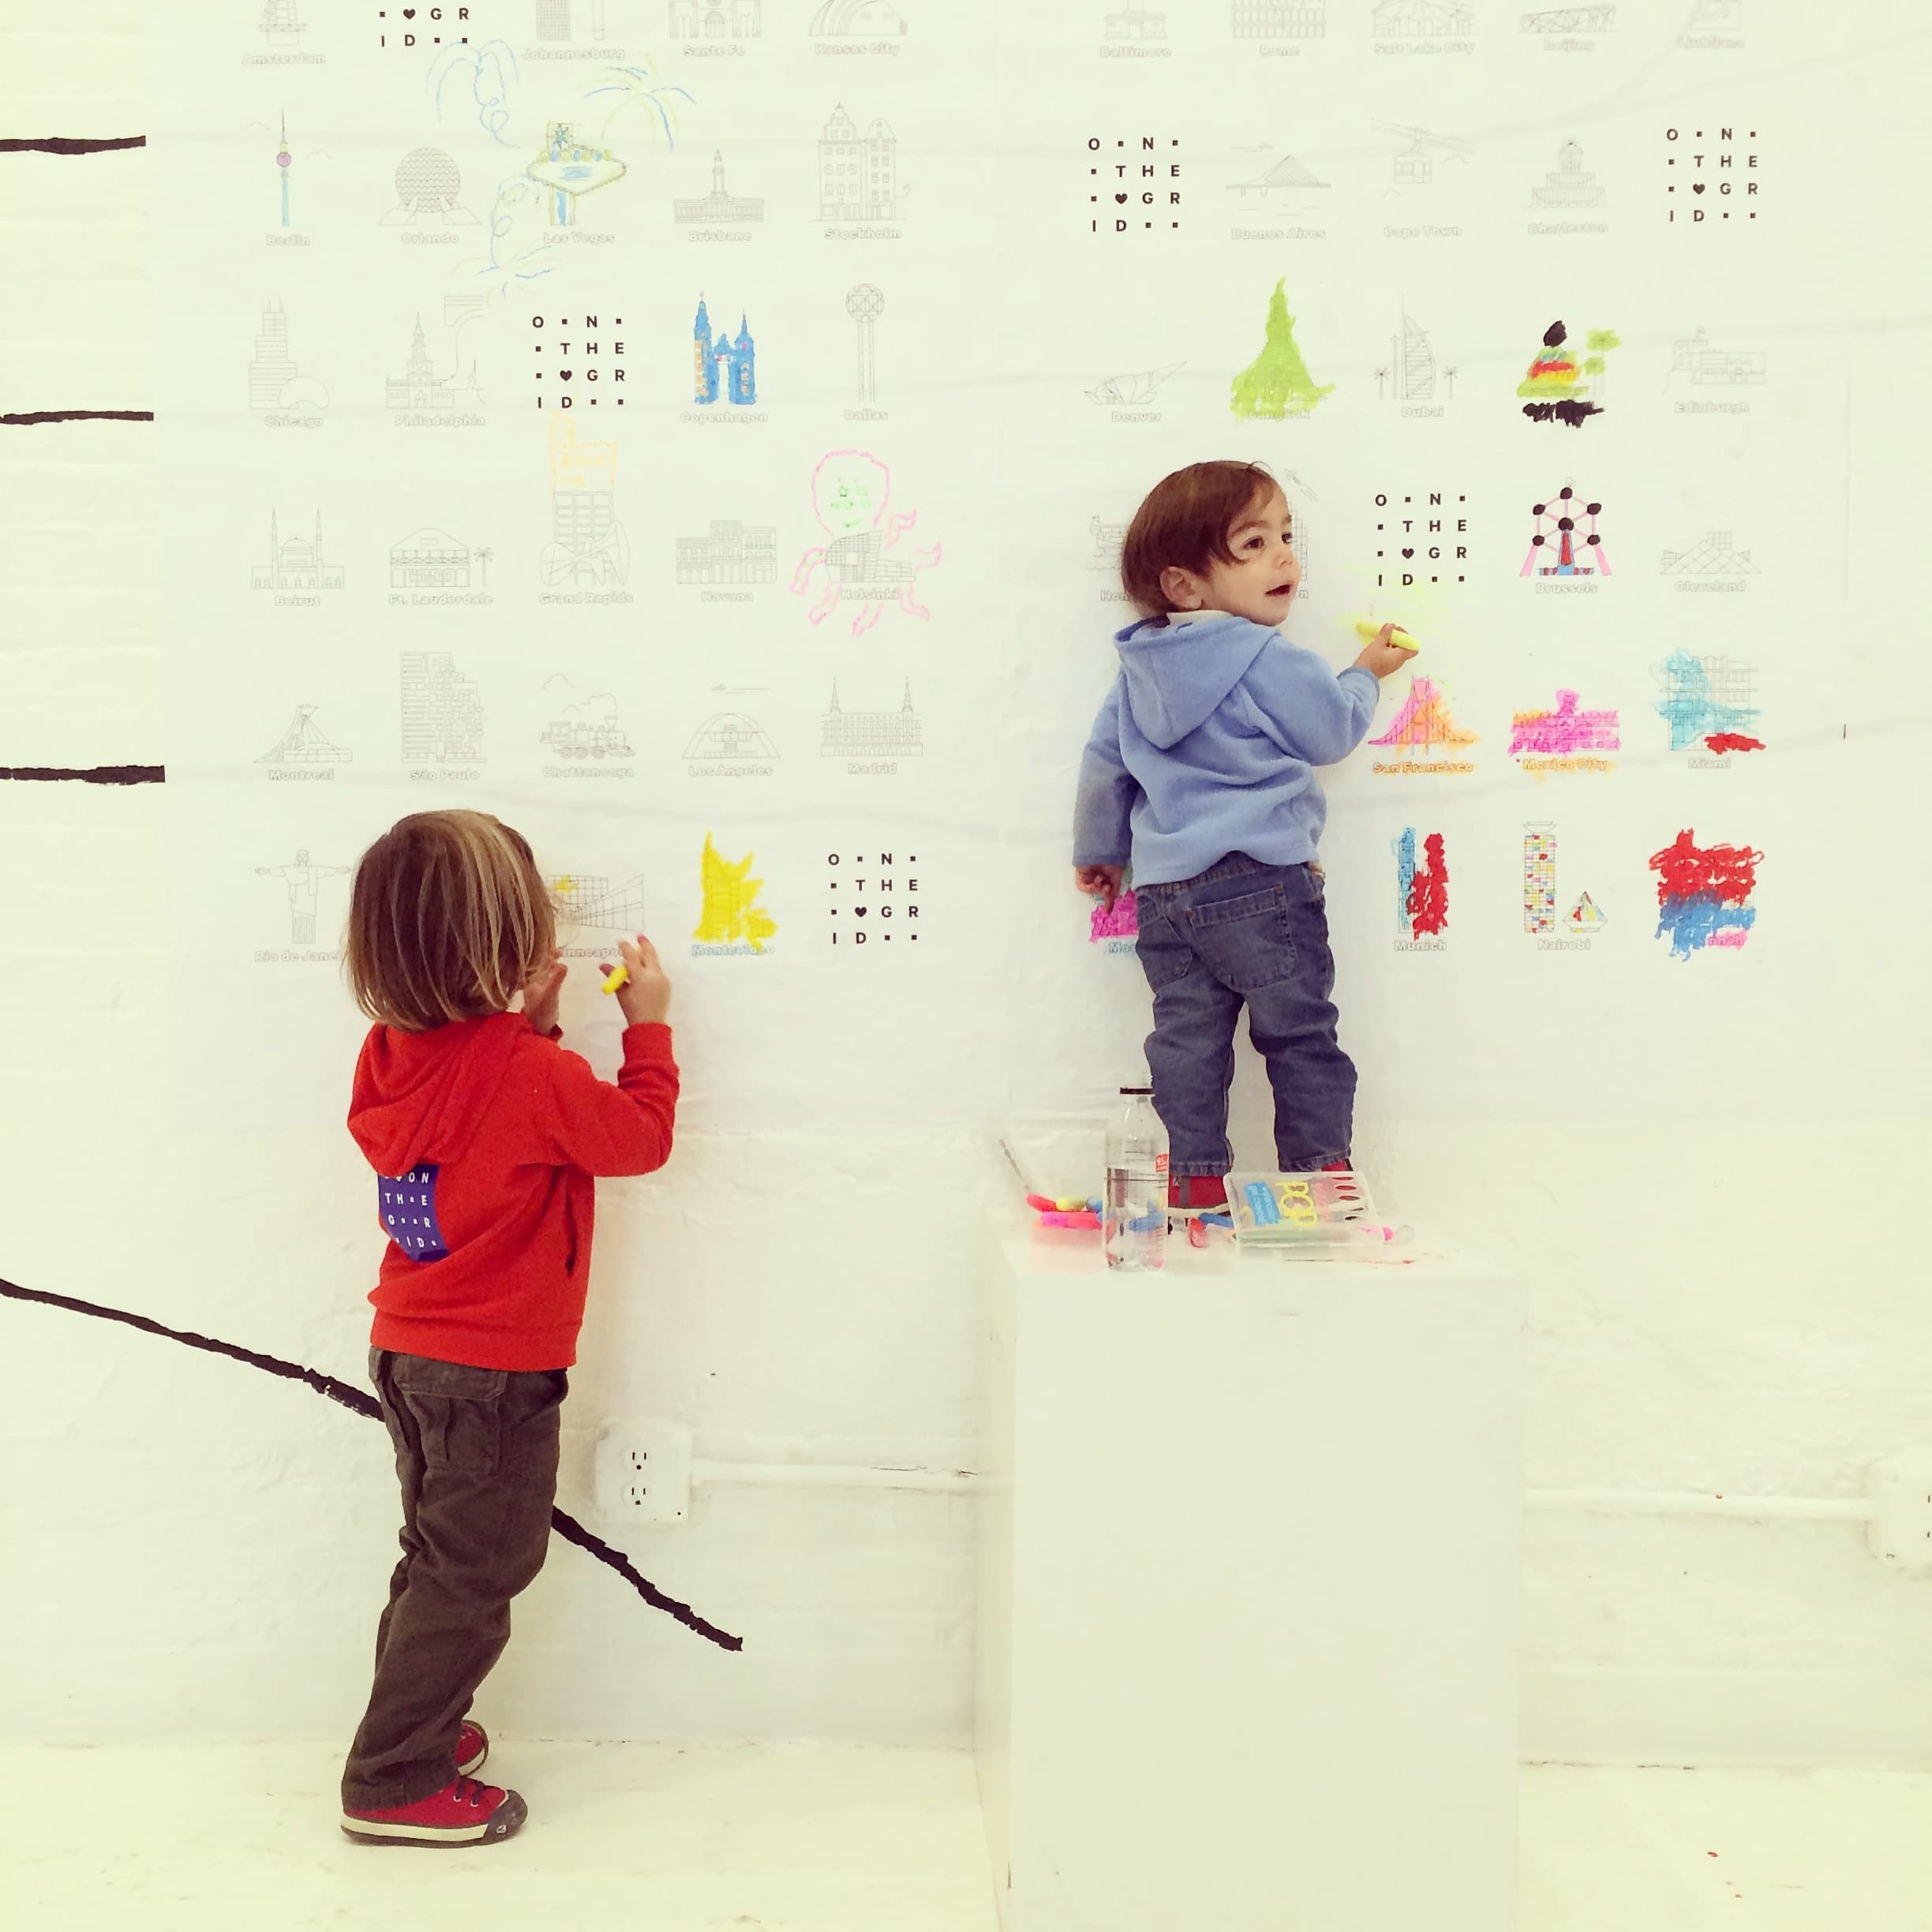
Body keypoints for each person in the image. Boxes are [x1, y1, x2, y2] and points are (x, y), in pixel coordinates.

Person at [335, 810, 677, 1846]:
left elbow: (482, 1111)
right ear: (507, 952)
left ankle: (421, 1729)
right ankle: (393, 1777)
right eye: (538, 921)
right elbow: (637, 1140)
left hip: (409, 1348)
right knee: (476, 1574)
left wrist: (531, 1026)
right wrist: (648, 1026)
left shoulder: (389, 1056)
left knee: (436, 1560)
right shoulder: (534, 1077)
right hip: (492, 1374)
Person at [1072, 460, 1416, 1209]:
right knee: (1298, 1036)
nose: (1285, 557)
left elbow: (1106, 762)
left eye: (1286, 535)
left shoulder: (1138, 672)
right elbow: (1328, 731)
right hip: (1262, 881)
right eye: (1253, 544)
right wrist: (1363, 673)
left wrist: (1099, 851)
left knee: (1187, 1043)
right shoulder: (1264, 656)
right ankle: (1322, 1181)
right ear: (1186, 586)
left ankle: (1195, 1184)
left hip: (1165, 895)